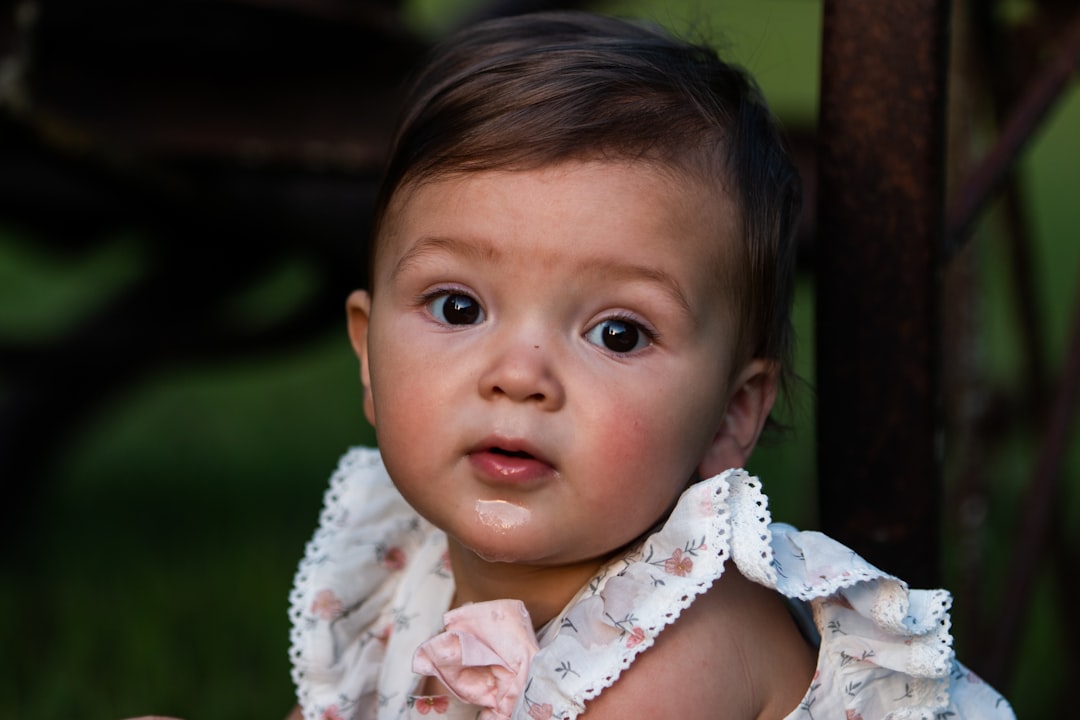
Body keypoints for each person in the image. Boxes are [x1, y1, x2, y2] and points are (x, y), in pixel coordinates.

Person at [287, 11, 1014, 720]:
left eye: (618, 334)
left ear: (729, 417)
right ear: (368, 358)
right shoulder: (397, 574)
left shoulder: (679, 646)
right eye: (457, 308)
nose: (518, 375)